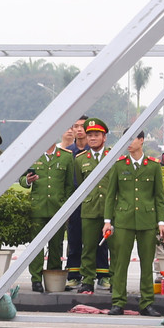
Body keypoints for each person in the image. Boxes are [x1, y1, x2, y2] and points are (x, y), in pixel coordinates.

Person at [101, 131, 164, 316]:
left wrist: (160, 222)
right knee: (120, 263)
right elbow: (111, 196)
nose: (128, 143)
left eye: (132, 139)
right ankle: (118, 301)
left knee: (147, 263)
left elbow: (158, 197)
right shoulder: (120, 165)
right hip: (124, 220)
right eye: (126, 139)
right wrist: (108, 221)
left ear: (141, 140)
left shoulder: (153, 166)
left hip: (147, 220)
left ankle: (146, 303)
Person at [19, 141, 74, 292]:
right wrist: (27, 181)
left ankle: (53, 277)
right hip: (38, 208)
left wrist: (67, 208)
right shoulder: (33, 154)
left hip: (58, 208)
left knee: (56, 246)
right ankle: (36, 279)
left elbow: (69, 185)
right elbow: (21, 179)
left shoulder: (66, 157)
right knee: (36, 245)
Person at [74, 117, 111, 295]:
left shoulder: (113, 156)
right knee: (88, 247)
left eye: (96, 135)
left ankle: (113, 279)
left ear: (104, 137)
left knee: (115, 247)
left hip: (110, 209)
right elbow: (80, 186)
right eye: (90, 135)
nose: (93, 138)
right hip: (89, 209)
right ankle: (87, 280)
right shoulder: (80, 160)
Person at [63, 116, 89, 288]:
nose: (79, 129)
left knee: (96, 240)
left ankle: (100, 274)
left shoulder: (95, 151)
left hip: (92, 200)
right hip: (72, 201)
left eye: (82, 126)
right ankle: (73, 274)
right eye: (76, 126)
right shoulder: (67, 152)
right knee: (73, 238)